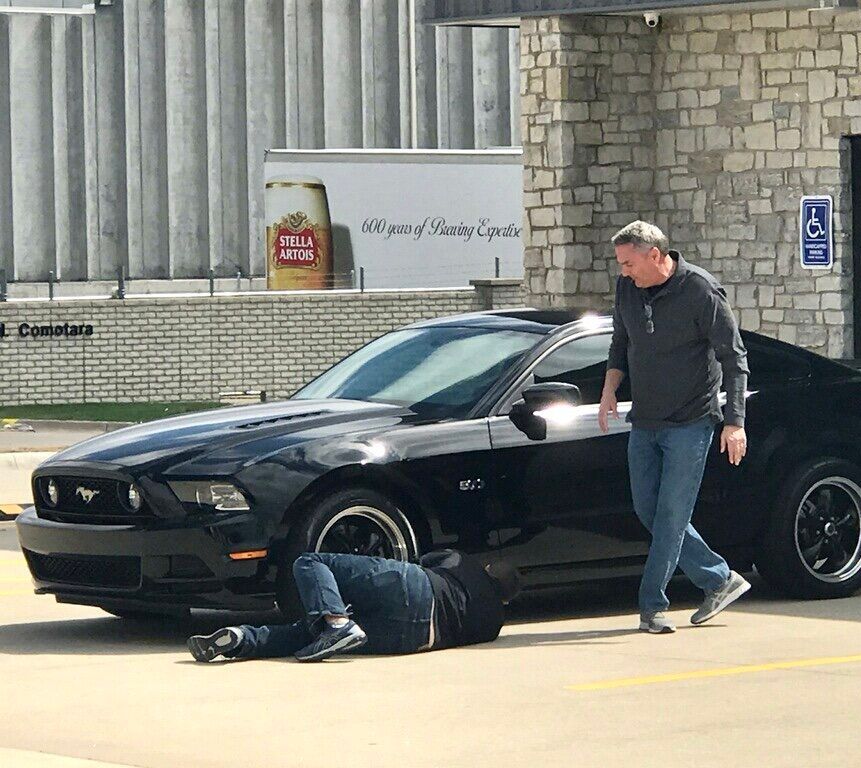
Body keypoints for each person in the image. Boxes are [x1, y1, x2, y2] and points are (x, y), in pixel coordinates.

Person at [599, 220, 751, 634]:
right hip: (644, 420)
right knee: (648, 509)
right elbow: (620, 341)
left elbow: (734, 361)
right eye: (620, 264)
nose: (623, 271)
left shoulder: (701, 291)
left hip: (691, 421)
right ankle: (719, 579)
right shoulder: (627, 288)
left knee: (670, 515)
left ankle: (652, 605)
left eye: (628, 263)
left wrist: (734, 423)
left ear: (655, 255)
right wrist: (610, 388)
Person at [187, 549, 521, 663]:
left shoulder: (467, 563)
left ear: (489, 569)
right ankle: (242, 639)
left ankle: (337, 622)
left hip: (419, 589)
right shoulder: (494, 623)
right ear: (505, 598)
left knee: (311, 562)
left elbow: (423, 561)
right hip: (412, 639)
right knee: (307, 634)